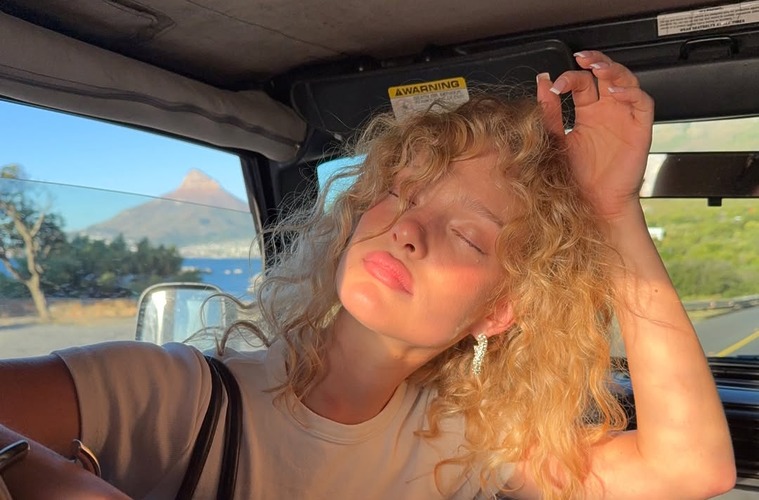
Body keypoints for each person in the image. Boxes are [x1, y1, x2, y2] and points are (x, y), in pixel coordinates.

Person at [0, 51, 735, 499]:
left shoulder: (465, 445)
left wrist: (612, 212)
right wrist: (53, 480)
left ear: (499, 311)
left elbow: (689, 469)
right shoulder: (170, 395)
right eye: (404, 194)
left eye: (467, 234)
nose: (408, 229)